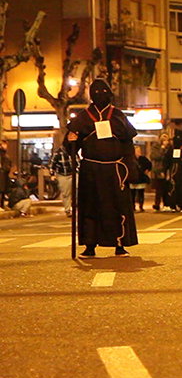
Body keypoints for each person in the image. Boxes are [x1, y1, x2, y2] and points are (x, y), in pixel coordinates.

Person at [65, 79, 138, 258]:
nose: (100, 96)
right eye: (96, 93)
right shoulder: (83, 117)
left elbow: (128, 145)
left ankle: (119, 244)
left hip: (115, 170)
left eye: (103, 92)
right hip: (91, 171)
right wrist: (71, 140)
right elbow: (69, 147)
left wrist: (129, 169)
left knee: (117, 207)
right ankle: (90, 245)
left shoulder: (118, 115)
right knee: (91, 208)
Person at [49, 145, 74, 217]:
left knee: (78, 190)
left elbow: (77, 162)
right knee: (66, 193)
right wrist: (52, 175)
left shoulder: (73, 151)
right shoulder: (58, 153)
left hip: (73, 173)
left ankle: (77, 208)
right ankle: (68, 210)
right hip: (62, 175)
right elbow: (52, 165)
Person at [149, 133, 170, 211]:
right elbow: (156, 156)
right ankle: (157, 204)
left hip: (167, 169)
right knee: (159, 188)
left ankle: (167, 204)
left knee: (167, 187)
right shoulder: (156, 147)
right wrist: (162, 148)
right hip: (159, 169)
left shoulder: (170, 147)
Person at [129, 146, 151, 212]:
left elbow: (149, 165)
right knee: (133, 194)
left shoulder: (143, 159)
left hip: (141, 178)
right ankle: (133, 206)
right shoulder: (131, 159)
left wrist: (147, 170)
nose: (138, 152)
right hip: (133, 178)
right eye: (137, 151)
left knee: (141, 193)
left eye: (139, 150)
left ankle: (141, 206)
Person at [0, 140, 12, 210]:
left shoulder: (4, 154)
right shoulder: (2, 155)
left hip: (4, 175)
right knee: (2, 190)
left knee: (3, 190)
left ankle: (2, 205)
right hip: (2, 175)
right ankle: (1, 205)